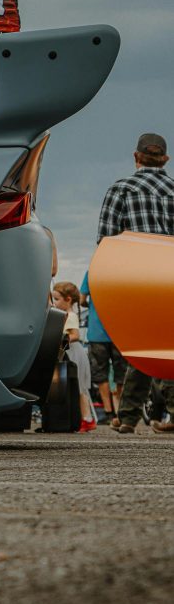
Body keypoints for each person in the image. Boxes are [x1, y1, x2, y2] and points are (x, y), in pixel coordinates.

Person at [97, 132, 174, 434]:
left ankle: (129, 417)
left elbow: (105, 240)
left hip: (136, 278)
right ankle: (128, 417)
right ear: (165, 159)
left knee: (142, 344)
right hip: (170, 274)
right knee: (166, 341)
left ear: (136, 157)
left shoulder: (122, 189)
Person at [80, 271, 126, 425]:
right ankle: (121, 411)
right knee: (121, 373)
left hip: (97, 331)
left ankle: (108, 412)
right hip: (119, 331)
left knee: (101, 374)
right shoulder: (122, 271)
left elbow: (81, 299)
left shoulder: (92, 272)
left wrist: (92, 305)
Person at [51, 281, 96, 432]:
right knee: (79, 387)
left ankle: (87, 418)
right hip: (72, 352)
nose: (54, 303)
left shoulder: (70, 315)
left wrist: (60, 346)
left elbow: (74, 335)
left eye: (57, 299)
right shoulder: (68, 315)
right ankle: (85, 418)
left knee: (79, 387)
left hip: (74, 352)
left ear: (68, 299)